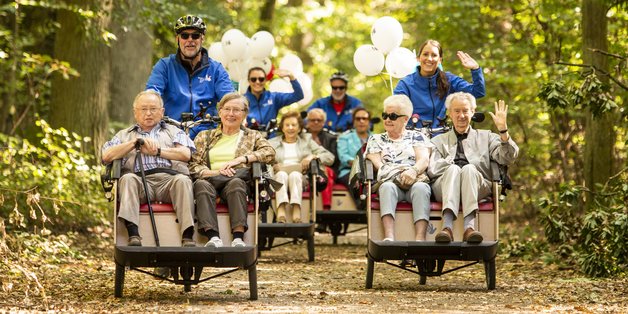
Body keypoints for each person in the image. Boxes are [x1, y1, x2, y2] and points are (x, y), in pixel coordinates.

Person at [102, 90, 196, 247]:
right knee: (127, 178)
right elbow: (106, 156)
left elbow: (185, 154)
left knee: (183, 180)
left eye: (153, 109)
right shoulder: (124, 135)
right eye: (143, 109)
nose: (148, 113)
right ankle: (133, 234)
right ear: (135, 112)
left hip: (169, 180)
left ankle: (187, 235)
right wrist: (134, 143)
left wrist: (158, 152)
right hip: (139, 180)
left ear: (162, 111)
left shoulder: (174, 131)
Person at [428, 92, 518, 243]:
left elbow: (508, 157)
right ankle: (447, 228)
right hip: (444, 186)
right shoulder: (438, 141)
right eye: (456, 111)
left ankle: (469, 228)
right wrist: (454, 168)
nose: (461, 115)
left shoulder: (487, 136)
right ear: (450, 113)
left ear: (473, 112)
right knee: (454, 169)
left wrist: (503, 130)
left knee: (469, 169)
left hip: (478, 185)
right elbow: (433, 169)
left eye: (465, 110)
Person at [189, 93, 275, 247]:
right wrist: (216, 173)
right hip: (210, 180)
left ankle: (238, 237)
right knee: (201, 185)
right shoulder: (204, 136)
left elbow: (269, 153)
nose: (231, 114)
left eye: (236, 110)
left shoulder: (252, 136)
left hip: (236, 181)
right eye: (227, 109)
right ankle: (213, 237)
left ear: (244, 114)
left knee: (236, 183)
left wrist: (242, 159)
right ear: (220, 111)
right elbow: (193, 165)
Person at [145, 15, 235, 139]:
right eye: (185, 35)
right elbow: (152, 93)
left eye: (195, 35)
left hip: (207, 135)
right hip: (170, 133)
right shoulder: (164, 66)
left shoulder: (216, 69)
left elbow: (229, 98)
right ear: (178, 39)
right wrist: (150, 105)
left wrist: (233, 110)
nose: (190, 40)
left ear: (202, 38)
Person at [365, 95, 432, 241]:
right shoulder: (376, 139)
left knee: (421, 188)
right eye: (385, 115)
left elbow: (423, 160)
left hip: (414, 180)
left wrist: (413, 171)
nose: (387, 119)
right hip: (390, 181)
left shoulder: (417, 136)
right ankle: (389, 237)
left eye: (393, 116)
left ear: (405, 119)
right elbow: (379, 165)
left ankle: (420, 238)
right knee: (387, 187)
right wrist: (400, 174)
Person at [394, 39, 485, 129]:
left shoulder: (449, 79)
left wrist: (475, 69)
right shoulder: (406, 84)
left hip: (442, 136)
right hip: (413, 137)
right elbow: (394, 111)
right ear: (418, 58)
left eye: (434, 55)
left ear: (440, 60)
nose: (429, 58)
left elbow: (478, 92)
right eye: (425, 54)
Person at [269, 111, 335, 223]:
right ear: (282, 128)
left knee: (295, 175)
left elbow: (329, 157)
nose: (290, 128)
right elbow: (261, 158)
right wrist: (273, 165)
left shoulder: (307, 141)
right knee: (281, 174)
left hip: (301, 177)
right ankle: (281, 210)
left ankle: (296, 209)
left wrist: (312, 157)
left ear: (299, 128)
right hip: (278, 177)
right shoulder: (272, 143)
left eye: (294, 125)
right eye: (287, 125)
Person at [306, 108, 339, 208]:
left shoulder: (331, 138)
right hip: (306, 168)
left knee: (324, 172)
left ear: (323, 122)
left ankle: (326, 209)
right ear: (308, 122)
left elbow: (334, 160)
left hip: (327, 169)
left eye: (319, 120)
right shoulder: (301, 137)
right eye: (312, 120)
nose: (316, 122)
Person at [336, 107, 372, 187]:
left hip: (372, 172)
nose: (361, 121)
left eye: (364, 118)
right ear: (354, 121)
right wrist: (357, 163)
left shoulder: (376, 138)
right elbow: (343, 156)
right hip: (349, 172)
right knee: (359, 183)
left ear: (369, 121)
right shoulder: (344, 137)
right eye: (358, 119)